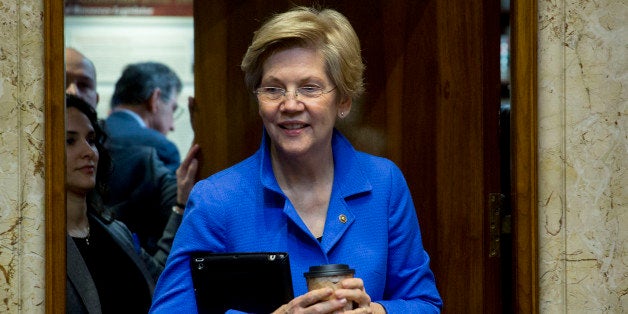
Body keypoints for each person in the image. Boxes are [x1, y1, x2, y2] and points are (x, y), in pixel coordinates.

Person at [150, 6, 442, 314]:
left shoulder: (384, 184)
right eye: (273, 89)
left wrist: (377, 312)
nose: (290, 105)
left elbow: (424, 303)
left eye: (309, 88)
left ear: (343, 100)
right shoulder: (217, 198)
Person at [65, 94, 169, 313]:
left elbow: (164, 280)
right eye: (70, 141)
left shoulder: (116, 230)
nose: (88, 152)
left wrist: (179, 207)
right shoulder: (36, 244)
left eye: (91, 140)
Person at [104, 61, 183, 172]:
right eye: (173, 109)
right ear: (155, 99)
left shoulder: (89, 137)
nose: (172, 126)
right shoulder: (160, 148)